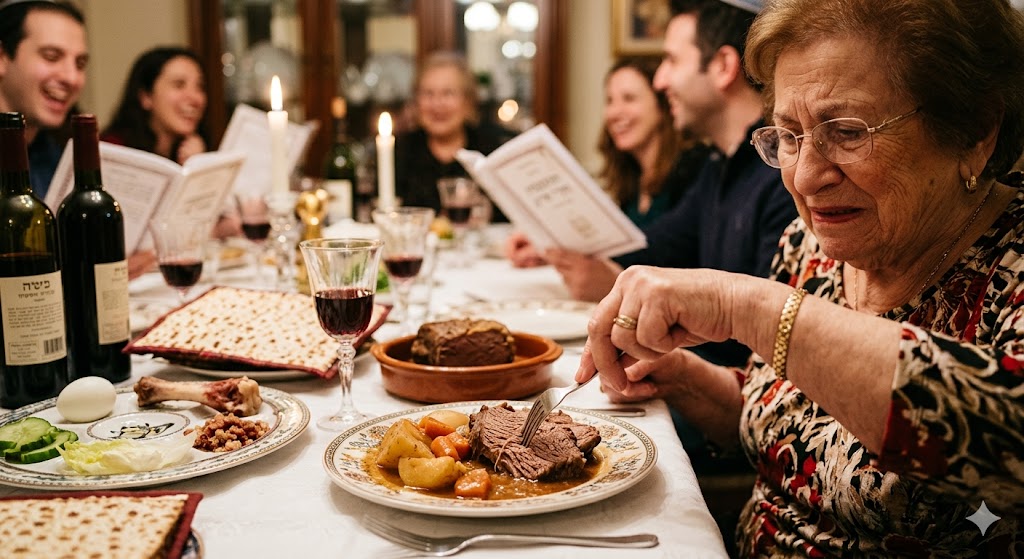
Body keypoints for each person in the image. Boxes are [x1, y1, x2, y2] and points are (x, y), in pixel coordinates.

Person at [576, 0, 1024, 554]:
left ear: (975, 131)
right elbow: (795, 430)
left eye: (848, 132)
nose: (806, 178)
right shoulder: (811, 244)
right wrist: (686, 380)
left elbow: (1006, 436)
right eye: (789, 136)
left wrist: (747, 307)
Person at [505, 57, 710, 267]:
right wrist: (545, 246)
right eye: (610, 101)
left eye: (629, 99)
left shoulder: (695, 167)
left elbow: (662, 252)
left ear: (662, 106)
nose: (614, 112)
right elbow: (624, 251)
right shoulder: (631, 175)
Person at [394, 51, 513, 221]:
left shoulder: (492, 149)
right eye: (428, 93)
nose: (437, 104)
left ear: (468, 101)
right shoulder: (399, 151)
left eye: (448, 93)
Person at [0, 0, 87, 199]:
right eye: (51, 57)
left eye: (80, 64)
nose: (72, 78)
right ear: (2, 58)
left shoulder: (60, 157)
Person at [101, 46, 208, 166]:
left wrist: (199, 164)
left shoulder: (198, 149)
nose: (195, 98)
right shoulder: (112, 151)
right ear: (146, 96)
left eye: (200, 86)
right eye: (178, 85)